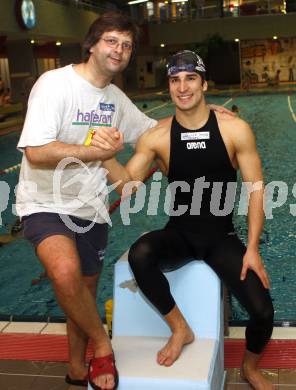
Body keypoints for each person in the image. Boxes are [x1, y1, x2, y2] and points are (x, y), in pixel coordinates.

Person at [16, 14, 232, 390]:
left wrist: (207, 114)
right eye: (112, 41)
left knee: (80, 293)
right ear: (92, 44)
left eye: (127, 45)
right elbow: (35, 151)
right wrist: (94, 153)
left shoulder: (115, 100)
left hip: (92, 208)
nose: (119, 50)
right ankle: (102, 345)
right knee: (64, 274)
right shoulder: (55, 84)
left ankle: (75, 370)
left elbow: (155, 131)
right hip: (45, 201)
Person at [102, 50, 274, 390]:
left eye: (190, 78)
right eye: (175, 80)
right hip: (180, 233)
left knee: (263, 312)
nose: (182, 87)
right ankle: (180, 327)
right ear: (169, 87)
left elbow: (257, 191)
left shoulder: (235, 129)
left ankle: (250, 369)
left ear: (204, 83)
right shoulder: (158, 136)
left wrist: (252, 247)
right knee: (140, 254)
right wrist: (107, 154)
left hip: (221, 237)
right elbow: (127, 186)